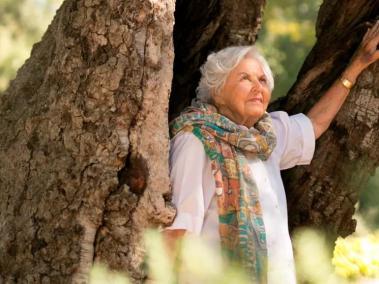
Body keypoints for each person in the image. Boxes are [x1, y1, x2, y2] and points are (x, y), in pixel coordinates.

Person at [162, 20, 379, 283]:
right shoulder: (196, 140)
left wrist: (357, 65)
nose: (258, 87)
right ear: (217, 92)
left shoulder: (266, 136)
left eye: (263, 79)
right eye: (245, 78)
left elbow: (315, 124)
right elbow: (177, 231)